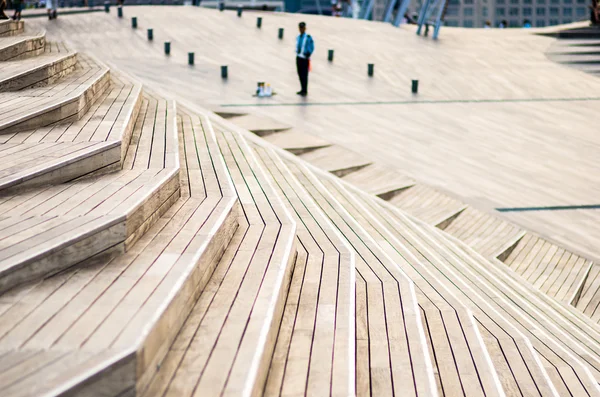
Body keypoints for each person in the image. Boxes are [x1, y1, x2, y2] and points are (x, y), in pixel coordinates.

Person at [295, 22, 314, 97]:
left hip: (304, 58)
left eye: (302, 28)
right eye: (300, 28)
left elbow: (311, 46)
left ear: (305, 28)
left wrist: (308, 53)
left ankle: (305, 90)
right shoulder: (298, 37)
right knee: (299, 74)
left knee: (304, 75)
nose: (301, 29)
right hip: (299, 57)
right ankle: (302, 89)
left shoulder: (308, 37)